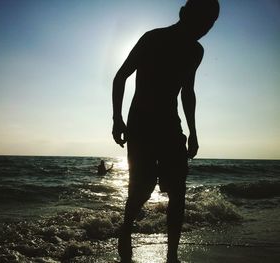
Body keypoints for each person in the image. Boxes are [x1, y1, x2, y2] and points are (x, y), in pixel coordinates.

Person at [111, 1, 219, 262]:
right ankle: (126, 230)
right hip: (141, 124)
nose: (207, 28)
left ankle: (172, 255)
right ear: (188, 15)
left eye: (211, 23)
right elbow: (120, 76)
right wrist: (117, 119)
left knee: (178, 189)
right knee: (142, 187)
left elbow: (187, 92)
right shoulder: (153, 38)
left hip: (172, 125)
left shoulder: (196, 51)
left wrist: (193, 132)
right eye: (204, 22)